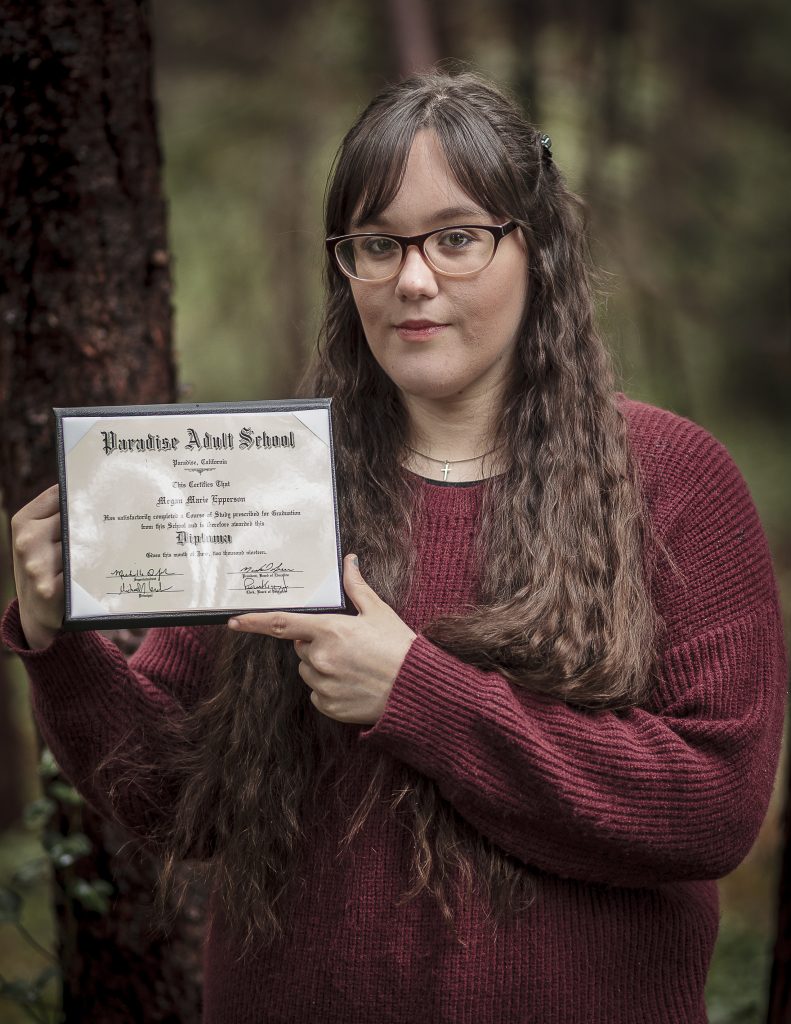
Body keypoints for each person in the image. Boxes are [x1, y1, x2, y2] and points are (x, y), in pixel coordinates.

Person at [5, 70, 786, 1024]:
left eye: (456, 239)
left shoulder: (671, 480)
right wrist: (61, 644)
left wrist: (416, 693)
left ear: (532, 251)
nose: (412, 279)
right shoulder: (270, 474)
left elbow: (710, 807)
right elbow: (177, 802)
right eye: (377, 245)